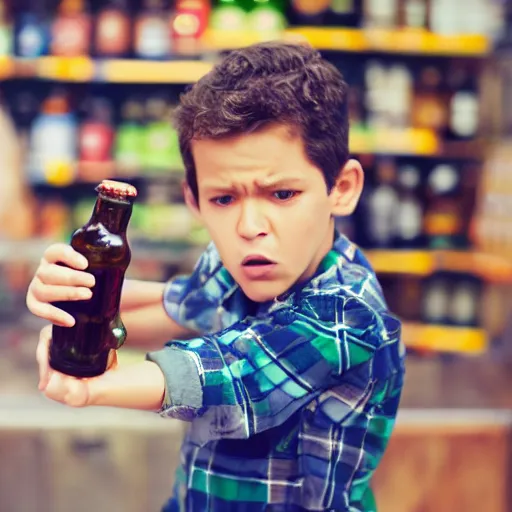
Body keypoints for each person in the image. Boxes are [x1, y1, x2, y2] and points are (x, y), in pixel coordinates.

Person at [26, 41, 405, 512]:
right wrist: (75, 296)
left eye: (282, 193)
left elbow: (231, 374)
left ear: (341, 189)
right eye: (224, 199)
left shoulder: (348, 313)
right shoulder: (236, 264)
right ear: (195, 200)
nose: (249, 227)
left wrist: (95, 384)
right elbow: (177, 306)